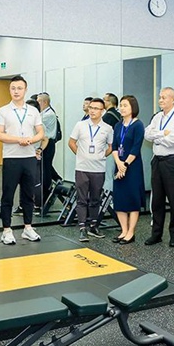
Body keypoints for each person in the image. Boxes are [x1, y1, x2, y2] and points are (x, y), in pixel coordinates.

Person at [0, 75, 45, 245]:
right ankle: (6, 230)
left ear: (25, 90)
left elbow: (40, 132)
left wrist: (31, 140)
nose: (16, 91)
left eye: (20, 88)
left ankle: (28, 228)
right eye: (13, 88)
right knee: (8, 195)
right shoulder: (3, 111)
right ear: (10, 90)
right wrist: (18, 139)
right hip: (11, 158)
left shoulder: (33, 111)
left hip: (29, 157)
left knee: (28, 194)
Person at [143, 87, 174, 247]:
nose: (160, 100)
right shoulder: (157, 117)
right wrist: (163, 133)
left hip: (173, 161)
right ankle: (156, 234)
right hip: (157, 161)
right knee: (157, 200)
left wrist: (156, 136)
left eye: (164, 97)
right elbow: (147, 134)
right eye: (160, 97)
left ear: (173, 99)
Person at [68, 98, 113, 242]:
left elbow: (111, 147)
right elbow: (71, 142)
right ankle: (82, 228)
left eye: (96, 108)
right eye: (91, 107)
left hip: (98, 169)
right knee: (81, 199)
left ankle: (93, 226)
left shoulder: (107, 128)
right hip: (82, 168)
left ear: (102, 111)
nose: (92, 111)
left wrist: (101, 156)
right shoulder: (80, 125)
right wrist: (81, 155)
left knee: (95, 199)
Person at [111, 95, 145, 245]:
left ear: (133, 108)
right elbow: (114, 146)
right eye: (121, 105)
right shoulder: (118, 125)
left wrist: (124, 165)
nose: (122, 108)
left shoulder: (138, 125)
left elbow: (136, 148)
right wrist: (118, 163)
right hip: (119, 165)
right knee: (120, 199)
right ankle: (123, 230)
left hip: (132, 167)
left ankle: (131, 232)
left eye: (125, 105)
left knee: (132, 199)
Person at [38, 93, 61, 203]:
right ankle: (57, 179)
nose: (37, 104)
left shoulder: (48, 115)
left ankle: (46, 193)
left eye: (38, 101)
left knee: (45, 169)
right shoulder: (43, 113)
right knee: (45, 168)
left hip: (48, 143)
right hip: (43, 142)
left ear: (45, 102)